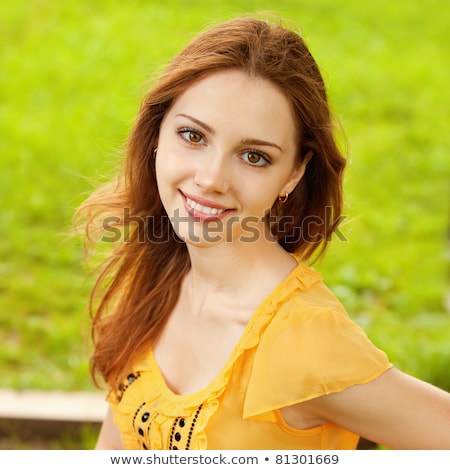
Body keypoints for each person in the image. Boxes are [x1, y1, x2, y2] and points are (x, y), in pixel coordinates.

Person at [75, 15, 450, 450]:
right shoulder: (162, 274)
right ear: (157, 132)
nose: (211, 178)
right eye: (193, 135)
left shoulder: (303, 341)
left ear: (293, 173)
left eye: (253, 156)